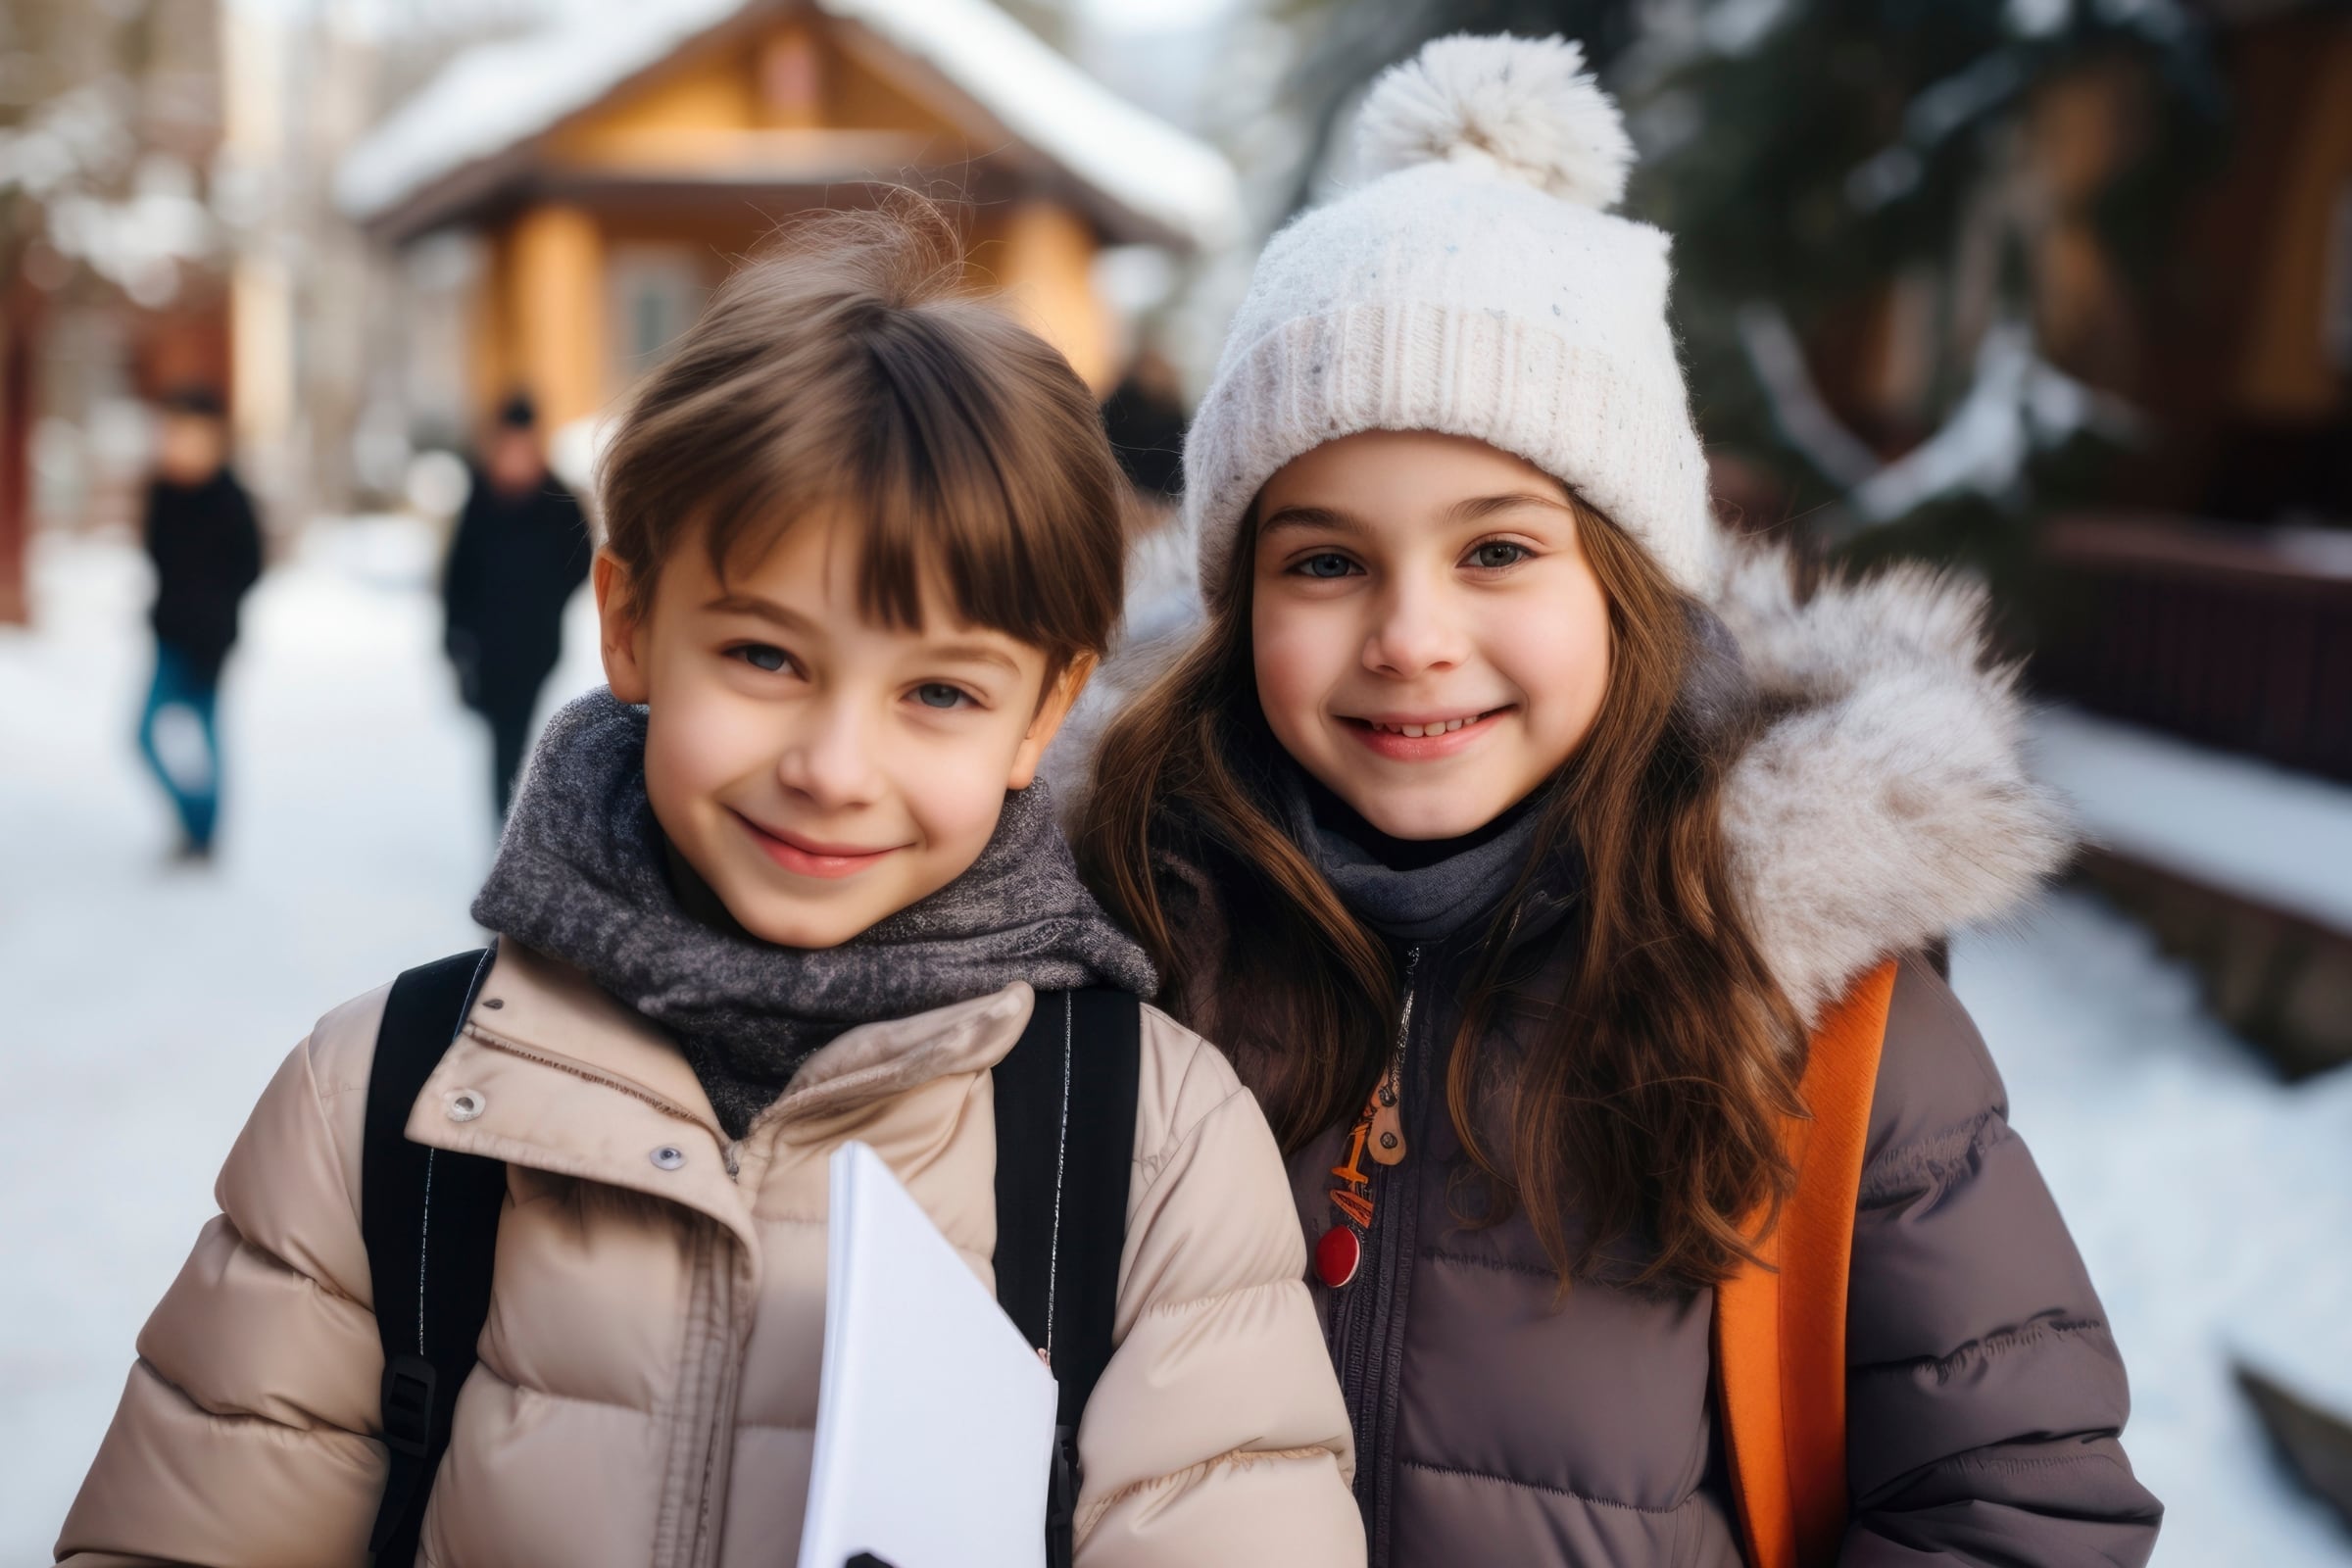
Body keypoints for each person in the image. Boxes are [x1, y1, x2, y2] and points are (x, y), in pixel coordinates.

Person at [57, 202, 1363, 1567]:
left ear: (1043, 715)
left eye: (938, 691)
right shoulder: (391, 1104)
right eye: (765, 658)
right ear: (630, 622)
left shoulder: (1147, 1140)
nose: (834, 767)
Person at [1078, 35, 2162, 1567]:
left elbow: (2021, 1504)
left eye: (1498, 551)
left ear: (1627, 590)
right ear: (1234, 604)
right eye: (1323, 560)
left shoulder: (1817, 1027)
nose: (1409, 636)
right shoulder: (1116, 937)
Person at [442, 389, 592, 820]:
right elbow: (458, 575)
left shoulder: (556, 500)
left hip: (534, 644)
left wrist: (547, 600)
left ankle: (513, 825)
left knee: (516, 737)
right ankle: (506, 825)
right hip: (487, 647)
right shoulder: (480, 499)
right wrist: (453, 636)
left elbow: (580, 561)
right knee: (502, 741)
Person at [136, 384, 262, 859]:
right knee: (144, 733)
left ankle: (206, 834)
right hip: (168, 634)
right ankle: (193, 816)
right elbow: (156, 558)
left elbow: (250, 567)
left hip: (210, 640)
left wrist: (213, 614)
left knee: (207, 736)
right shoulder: (162, 493)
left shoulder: (229, 498)